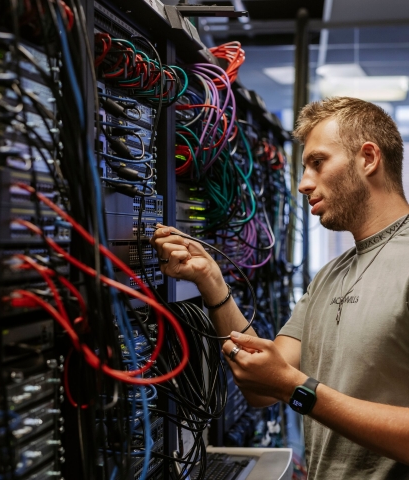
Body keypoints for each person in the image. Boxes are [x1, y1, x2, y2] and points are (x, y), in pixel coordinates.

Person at [150, 97, 409, 479]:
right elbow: (264, 387)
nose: (304, 184)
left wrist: (297, 389)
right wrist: (212, 282)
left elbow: (287, 385)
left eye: (318, 163)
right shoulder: (331, 274)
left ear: (368, 158)